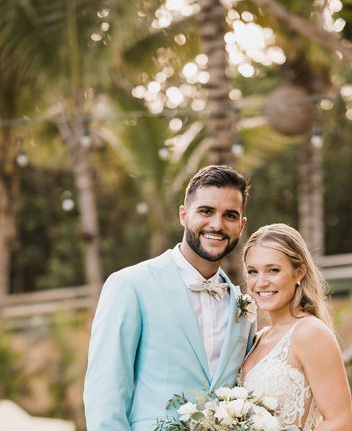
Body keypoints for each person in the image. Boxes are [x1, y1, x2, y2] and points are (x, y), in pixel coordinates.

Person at [83, 165, 256, 431]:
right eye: (206, 211)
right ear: (184, 215)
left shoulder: (243, 306)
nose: (217, 224)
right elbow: (104, 396)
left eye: (230, 215)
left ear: (241, 226)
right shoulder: (130, 285)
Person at [240, 223, 352, 430]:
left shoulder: (310, 333)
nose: (261, 282)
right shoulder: (257, 338)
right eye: (253, 271)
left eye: (273, 270)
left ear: (299, 272)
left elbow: (341, 423)